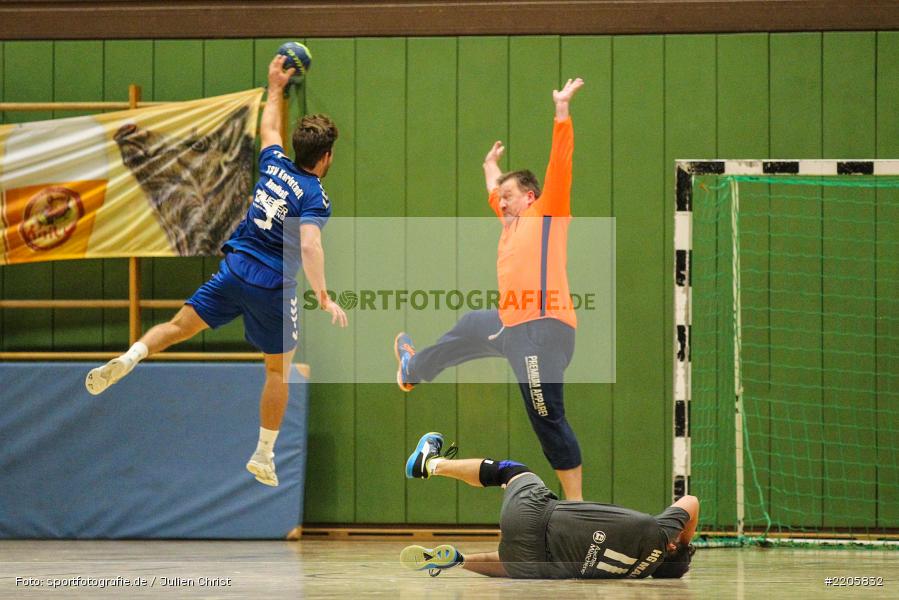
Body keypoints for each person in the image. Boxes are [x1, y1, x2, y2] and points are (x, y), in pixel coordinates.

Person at [84, 54, 348, 487]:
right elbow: (310, 243)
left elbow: (267, 129)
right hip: (273, 286)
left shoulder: (274, 165)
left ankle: (131, 356)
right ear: (326, 157)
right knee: (277, 371)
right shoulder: (314, 195)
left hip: (234, 268)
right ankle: (264, 454)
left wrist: (275, 87)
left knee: (175, 325)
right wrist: (322, 295)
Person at [394, 78, 586, 499]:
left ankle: (575, 506)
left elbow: (561, 164)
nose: (500, 203)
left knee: (546, 416)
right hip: (510, 325)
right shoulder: (510, 223)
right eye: (499, 198)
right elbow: (493, 192)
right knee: (469, 325)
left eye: (508, 196)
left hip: (542, 329)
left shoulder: (547, 214)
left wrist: (561, 112)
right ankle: (413, 370)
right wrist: (490, 168)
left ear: (531, 196)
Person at [400, 432, 699, 579]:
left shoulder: (660, 534)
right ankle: (457, 560)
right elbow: (517, 564)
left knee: (513, 471)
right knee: (517, 563)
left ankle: (431, 464)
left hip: (533, 517)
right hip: (531, 563)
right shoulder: (633, 574)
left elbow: (692, 502)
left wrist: (683, 540)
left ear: (671, 548)